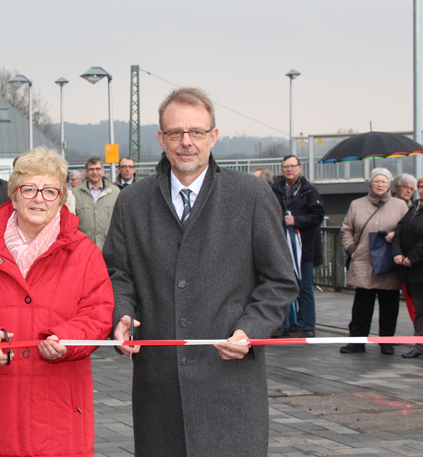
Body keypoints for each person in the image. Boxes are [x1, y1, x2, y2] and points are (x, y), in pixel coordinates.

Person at [104, 87, 298, 457]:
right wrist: (122, 313)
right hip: (159, 389)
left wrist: (251, 329)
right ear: (161, 139)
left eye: (197, 132)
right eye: (175, 133)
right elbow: (116, 273)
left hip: (230, 385)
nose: (186, 142)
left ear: (214, 136)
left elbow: (280, 281)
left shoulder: (252, 196)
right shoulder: (132, 202)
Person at [0, 147, 114, 457]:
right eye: (30, 189)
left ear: (62, 197)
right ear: (14, 195)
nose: (40, 198)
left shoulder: (85, 252)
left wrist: (68, 338)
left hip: (59, 411)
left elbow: (99, 313)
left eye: (50, 190)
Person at [340, 168, 408, 355]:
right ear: (370, 183)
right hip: (363, 261)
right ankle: (356, 341)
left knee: (389, 304)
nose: (380, 185)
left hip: (388, 261)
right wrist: (352, 250)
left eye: (384, 181)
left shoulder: (401, 205)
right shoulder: (356, 204)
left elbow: (407, 230)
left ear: (389, 184)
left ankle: (386, 342)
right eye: (376, 181)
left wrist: (395, 235)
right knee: (362, 305)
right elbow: (346, 230)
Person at [271, 155, 325, 338]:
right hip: (282, 248)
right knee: (283, 287)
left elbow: (318, 215)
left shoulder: (309, 191)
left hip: (305, 249)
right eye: (285, 166)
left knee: (306, 288)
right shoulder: (275, 189)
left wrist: (297, 220)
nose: (289, 170)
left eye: (292, 166)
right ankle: (284, 324)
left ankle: (308, 325)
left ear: (299, 168)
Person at [392, 193, 423, 358]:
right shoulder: (412, 208)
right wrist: (397, 253)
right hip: (413, 271)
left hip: (416, 263)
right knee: (419, 310)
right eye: (421, 187)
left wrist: (413, 257)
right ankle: (420, 345)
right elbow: (398, 231)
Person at [73, 156, 120, 249]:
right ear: (86, 172)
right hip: (84, 248)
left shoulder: (115, 192)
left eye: (98, 169)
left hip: (108, 248)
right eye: (91, 169)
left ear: (103, 170)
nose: (95, 172)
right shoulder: (75, 194)